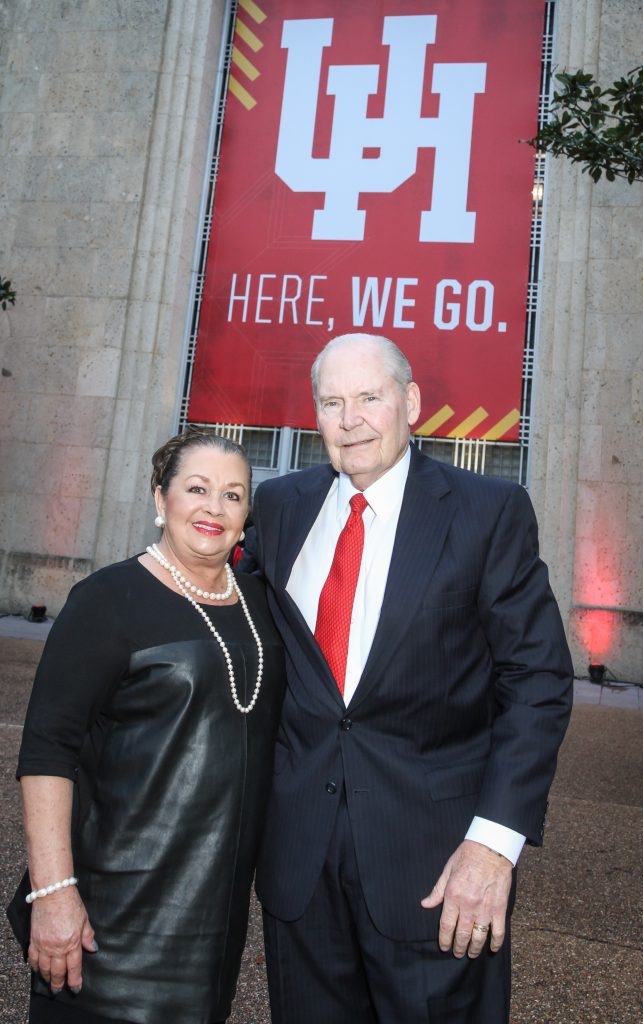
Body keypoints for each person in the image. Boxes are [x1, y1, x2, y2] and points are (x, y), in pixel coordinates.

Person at [240, 333, 573, 1023]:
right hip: (299, 865)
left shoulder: (486, 512)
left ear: (411, 403)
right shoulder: (279, 508)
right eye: (331, 402)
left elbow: (535, 681)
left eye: (368, 397)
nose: (350, 418)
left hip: (437, 869)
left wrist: (492, 844)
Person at [7, 430, 286, 1024]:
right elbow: (47, 753)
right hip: (108, 916)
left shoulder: (265, 607)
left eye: (233, 495)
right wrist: (54, 894)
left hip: (213, 920)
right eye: (197, 488)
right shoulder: (106, 600)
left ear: (246, 517)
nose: (214, 507)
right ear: (161, 500)